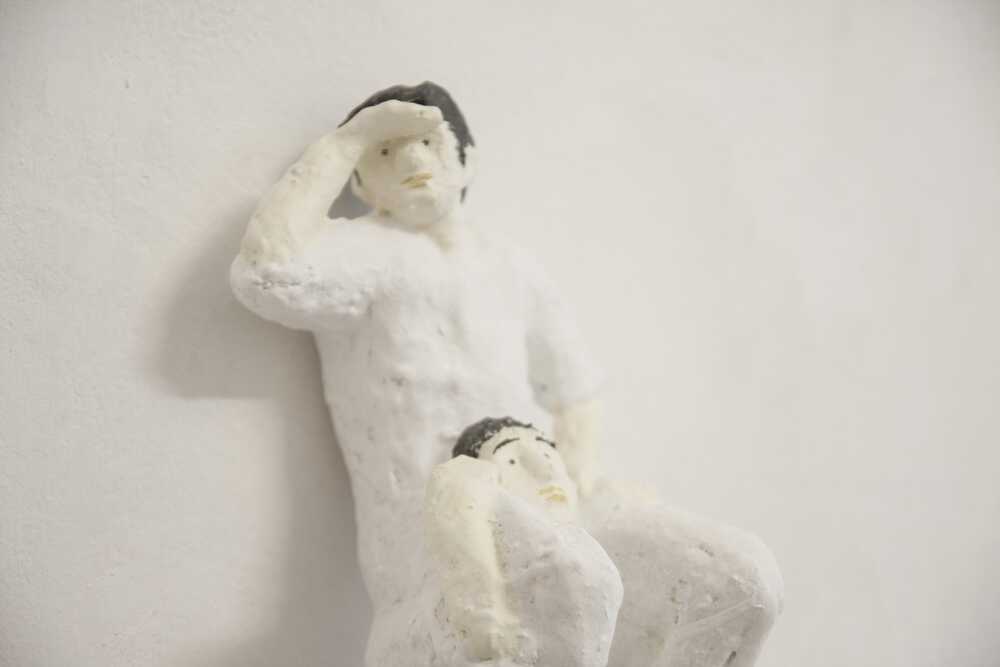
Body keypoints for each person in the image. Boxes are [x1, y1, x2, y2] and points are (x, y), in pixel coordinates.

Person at [230, 82, 781, 667]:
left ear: (467, 159)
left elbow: (575, 390)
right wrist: (346, 142)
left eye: (428, 143)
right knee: (579, 575)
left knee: (740, 581)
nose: (412, 160)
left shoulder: (509, 265)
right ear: (361, 183)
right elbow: (265, 272)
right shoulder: (363, 256)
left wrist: (580, 481)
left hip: (546, 496)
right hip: (441, 541)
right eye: (385, 151)